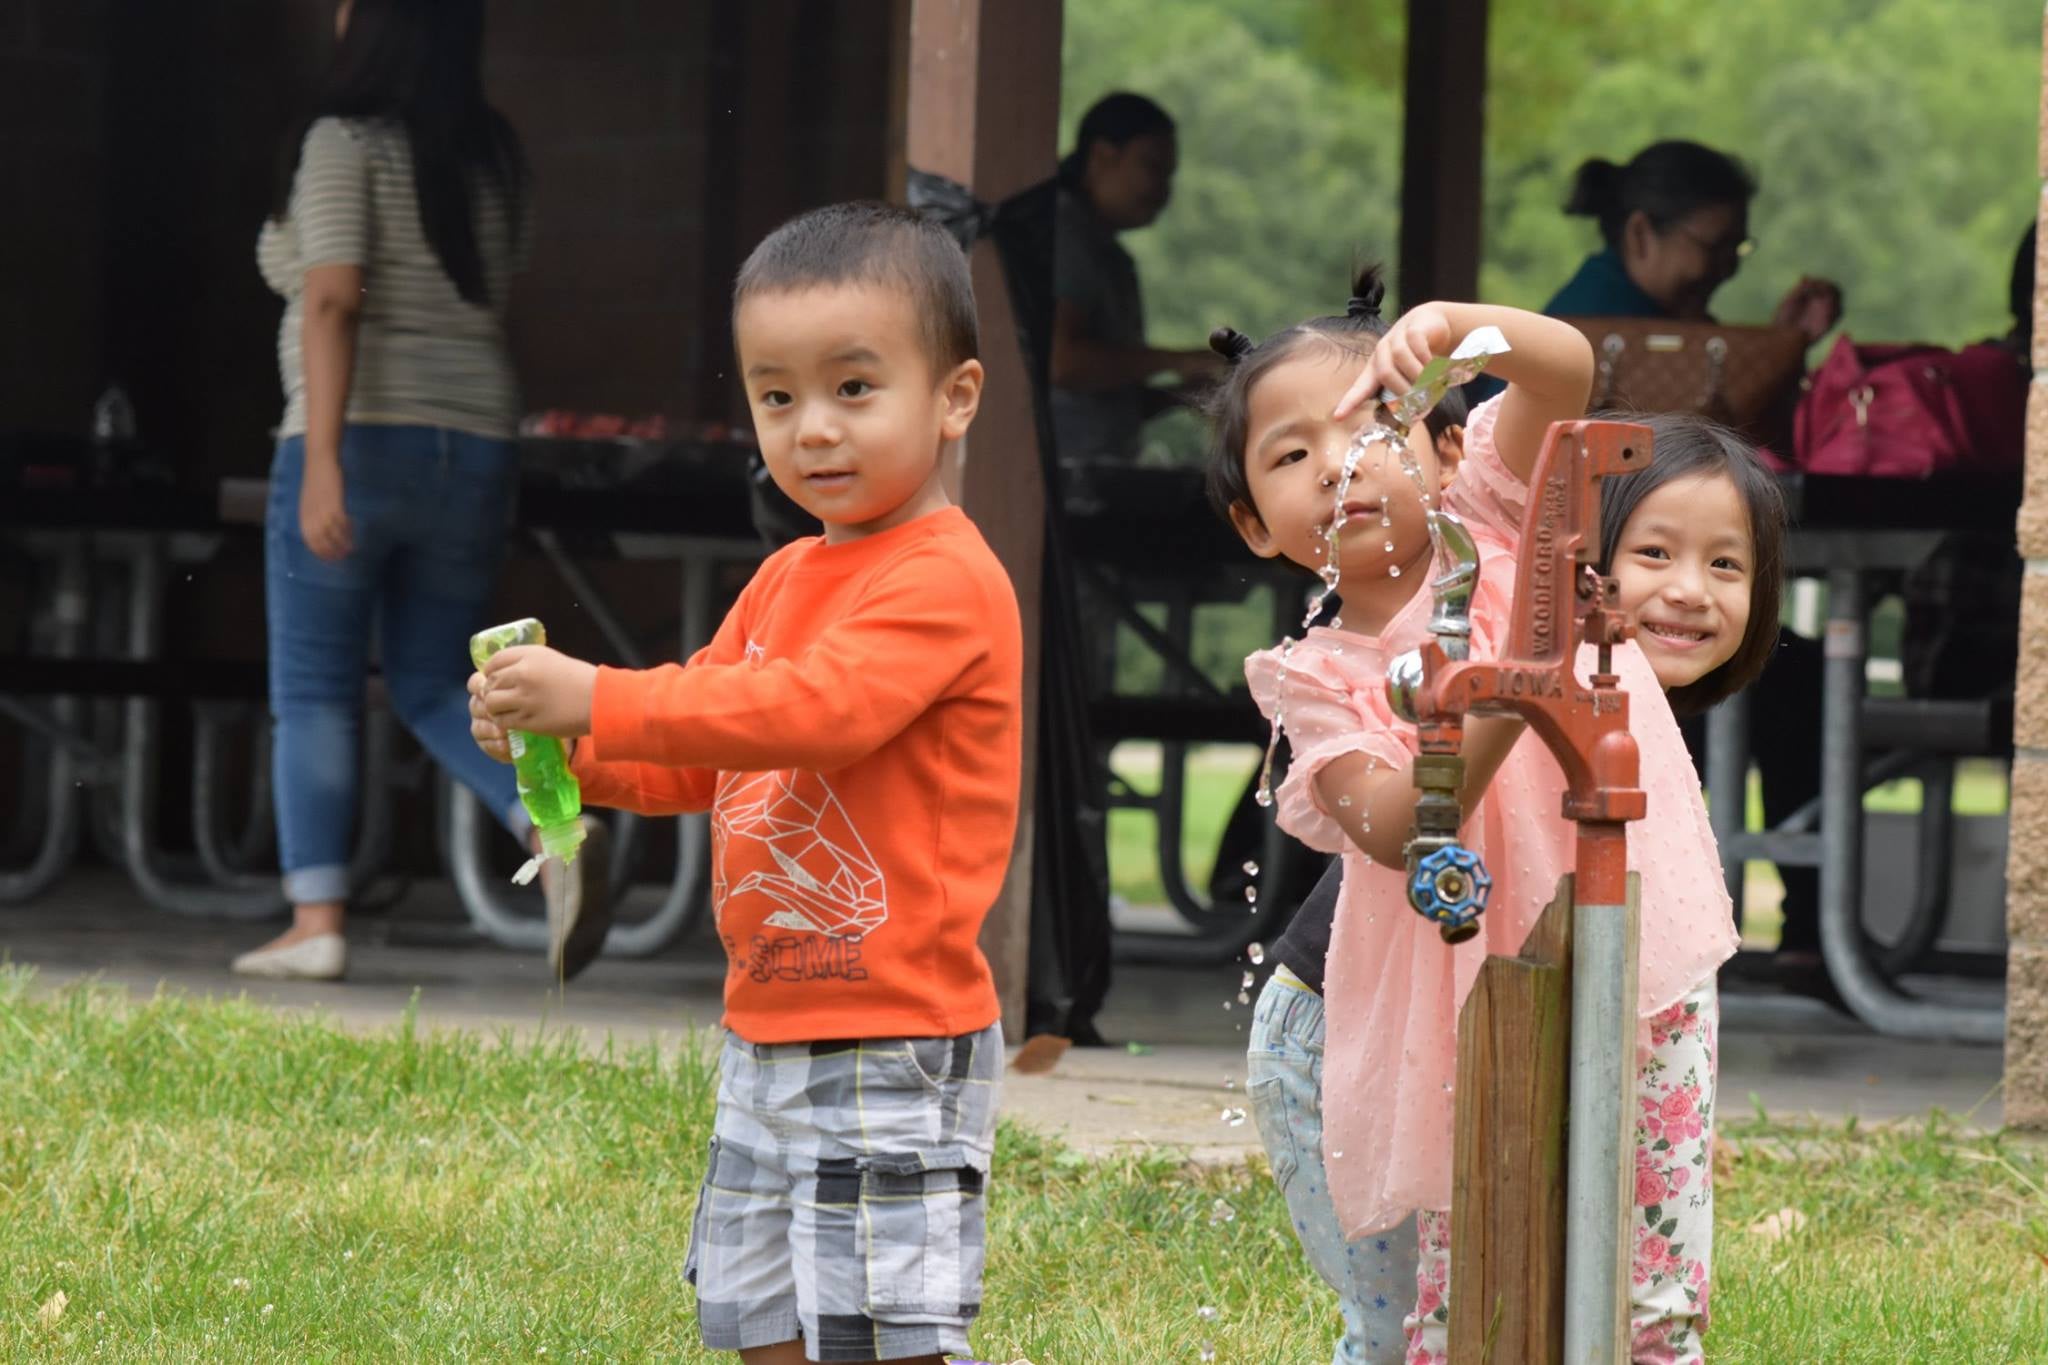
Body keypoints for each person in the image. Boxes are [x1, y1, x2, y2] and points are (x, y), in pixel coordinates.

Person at [468, 203, 1022, 1365]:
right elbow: (713, 750)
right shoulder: (781, 579)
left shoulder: (946, 578)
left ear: (955, 397)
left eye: (853, 389)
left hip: (890, 1033)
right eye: (777, 397)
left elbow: (816, 715)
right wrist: (572, 756)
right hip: (766, 1025)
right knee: (754, 1317)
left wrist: (599, 695)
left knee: (882, 1336)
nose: (812, 428)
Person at [1210, 285, 1776, 1361]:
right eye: (1289, 458)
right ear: (1253, 525)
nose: (1336, 467)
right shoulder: (1319, 681)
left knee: (1646, 1292)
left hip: (1639, 964)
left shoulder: (1499, 515)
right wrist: (1507, 694)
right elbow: (1389, 825)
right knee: (1468, 1302)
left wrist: (1459, 326)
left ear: (1444, 446)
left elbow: (1560, 372)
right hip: (1453, 1019)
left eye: (1368, 428)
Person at [241, 0, 608, 983]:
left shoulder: (340, 141)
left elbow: (332, 296)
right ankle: (553, 828)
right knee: (435, 680)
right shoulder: (491, 156)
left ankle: (315, 919)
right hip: (476, 443)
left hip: (359, 434)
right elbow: (491, 285)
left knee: (314, 689)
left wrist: (322, 460)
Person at [1544, 139, 1833, 987]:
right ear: (1642, 233)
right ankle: (1810, 924)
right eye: (1715, 246)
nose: (1723, 268)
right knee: (1794, 682)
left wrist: (1780, 344)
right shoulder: (1608, 336)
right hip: (1598, 633)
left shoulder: (1663, 328)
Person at [1050, 92, 1223, 463]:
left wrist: (1184, 392)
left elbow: (1107, 403)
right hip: (1061, 480)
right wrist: (1178, 360)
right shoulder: (1064, 233)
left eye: (1168, 175)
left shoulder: (1107, 252)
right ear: (1101, 156)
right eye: (1152, 167)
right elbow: (1060, 363)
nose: (1162, 190)